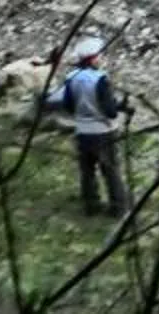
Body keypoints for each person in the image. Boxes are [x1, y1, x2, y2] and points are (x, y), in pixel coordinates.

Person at [50, 37, 129, 217]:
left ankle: (91, 205)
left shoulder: (72, 78)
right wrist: (118, 108)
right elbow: (109, 111)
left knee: (87, 171)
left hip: (82, 131)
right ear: (92, 59)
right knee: (110, 170)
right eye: (99, 56)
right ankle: (118, 207)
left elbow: (68, 105)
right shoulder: (100, 79)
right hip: (103, 130)